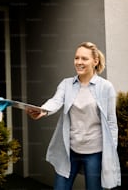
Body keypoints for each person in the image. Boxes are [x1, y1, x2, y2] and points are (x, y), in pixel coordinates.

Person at [26, 42, 121, 189]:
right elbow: (55, 101)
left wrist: (110, 153)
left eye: (84, 58)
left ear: (95, 61)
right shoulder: (67, 84)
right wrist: (42, 110)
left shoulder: (105, 87)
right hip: (70, 150)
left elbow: (112, 123)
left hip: (95, 152)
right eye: (76, 58)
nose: (79, 62)